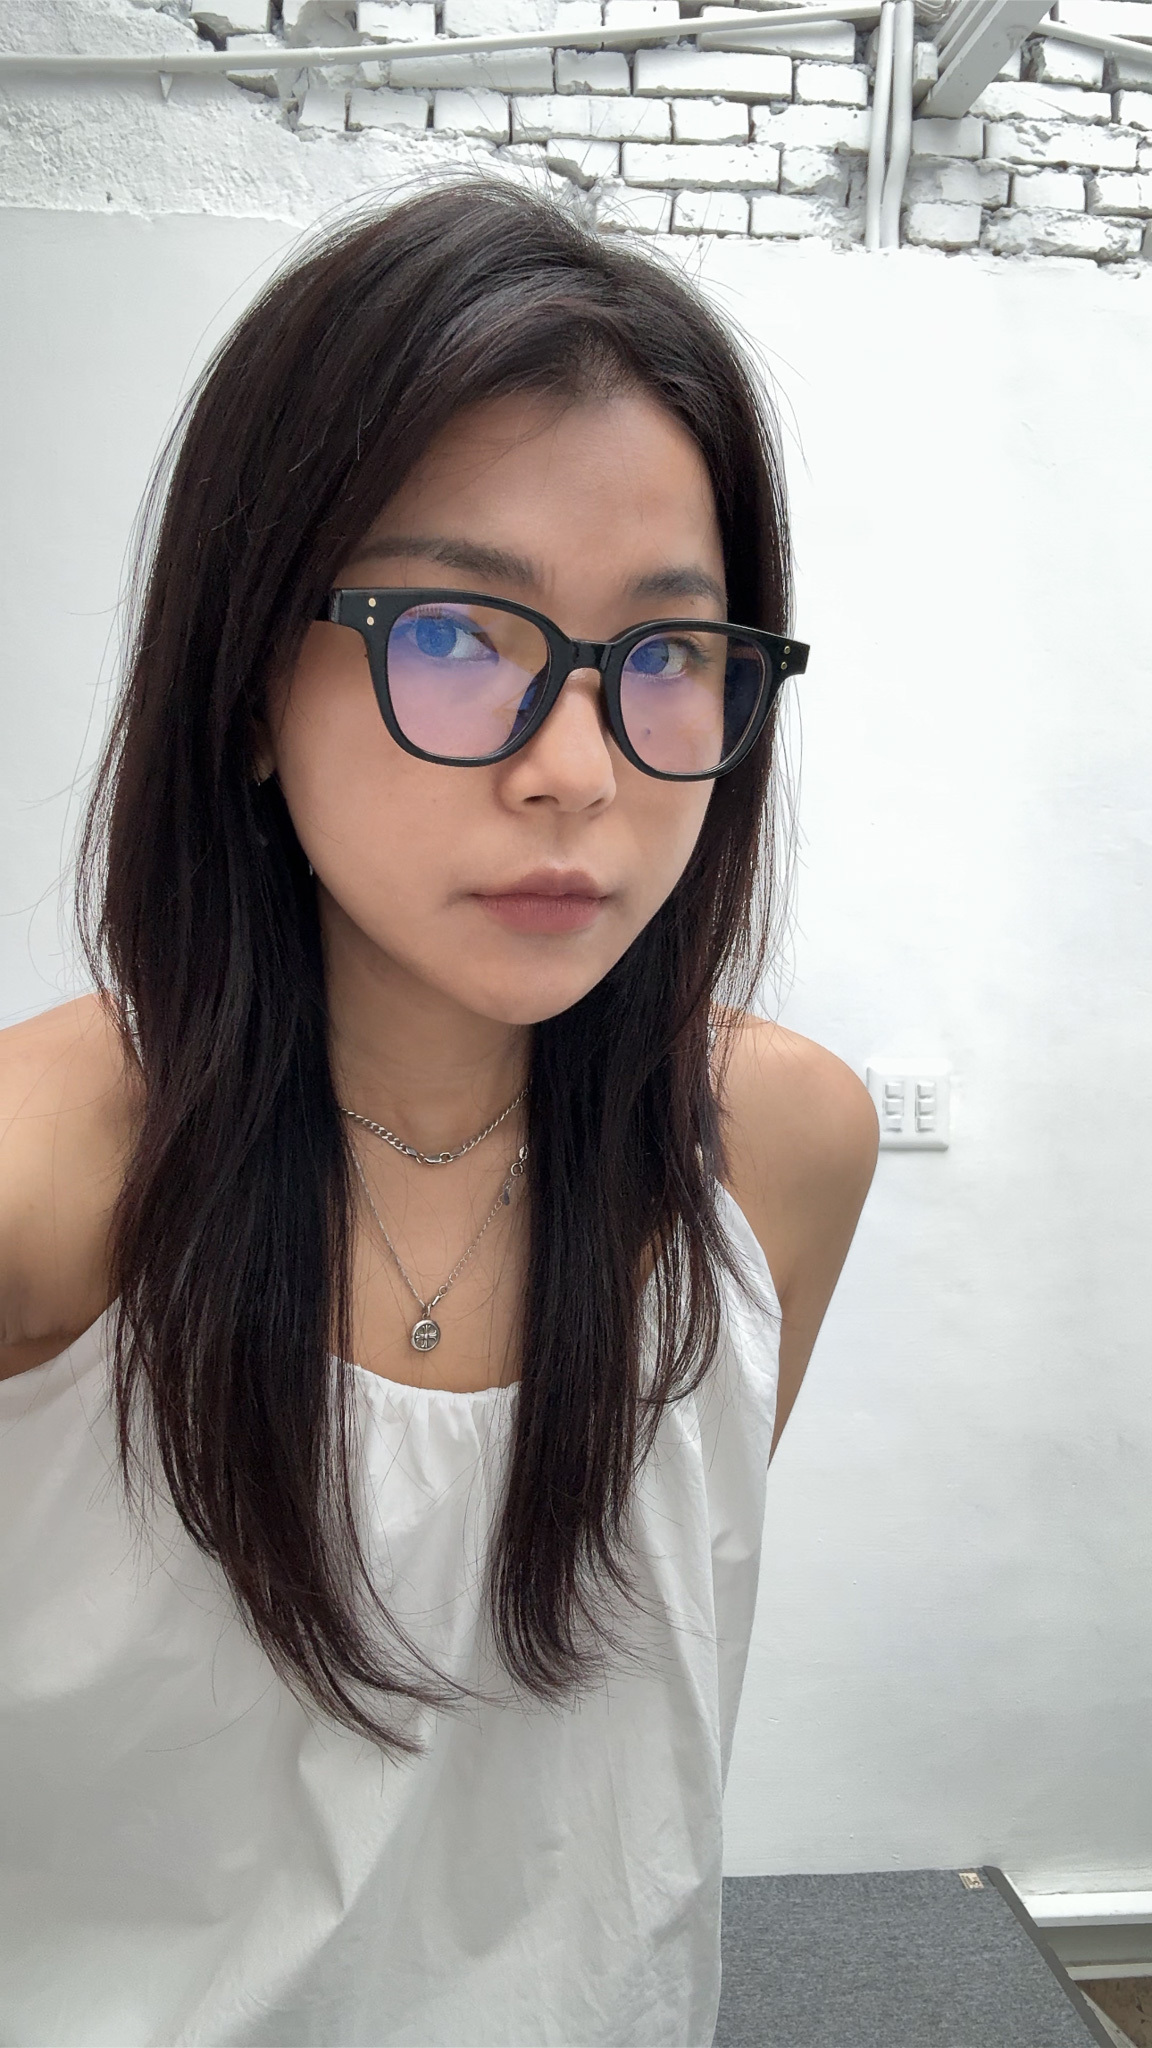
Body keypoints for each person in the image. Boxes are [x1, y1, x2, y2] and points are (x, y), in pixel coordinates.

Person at [0, 178, 878, 2047]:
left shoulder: (782, 1156)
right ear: (250, 681)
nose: (577, 771)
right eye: (462, 636)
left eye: (667, 656)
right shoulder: (42, 1180)